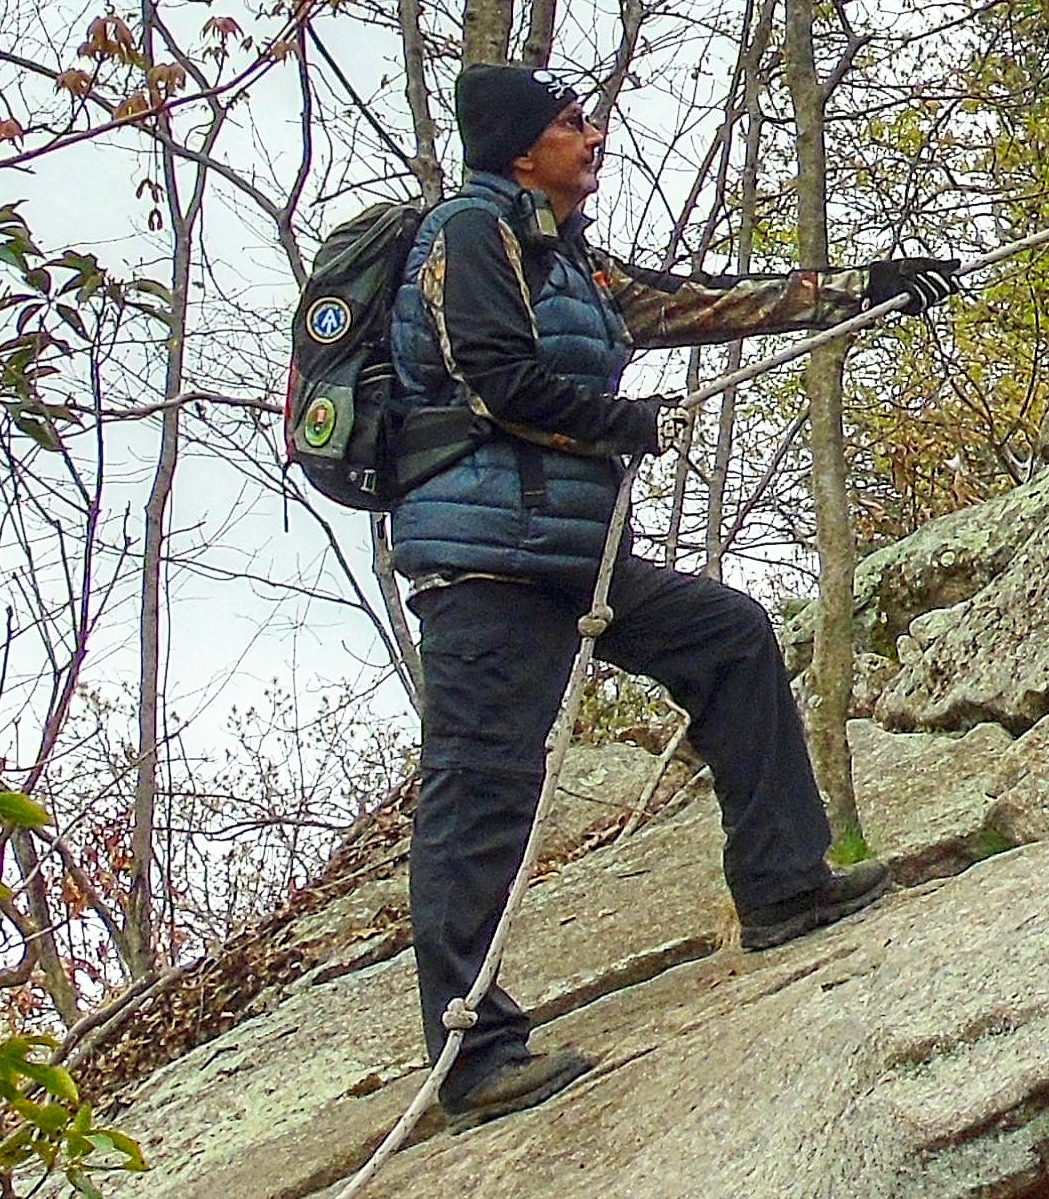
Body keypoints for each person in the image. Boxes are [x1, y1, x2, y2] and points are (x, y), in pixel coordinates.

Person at [392, 62, 959, 1118]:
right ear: (523, 151)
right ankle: (467, 1055)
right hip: (484, 561)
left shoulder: (570, 262)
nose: (594, 135)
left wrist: (862, 288)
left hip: (566, 554)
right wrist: (625, 424)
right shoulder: (472, 235)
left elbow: (701, 302)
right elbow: (491, 377)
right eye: (573, 124)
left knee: (731, 637)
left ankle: (785, 889)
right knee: (483, 787)